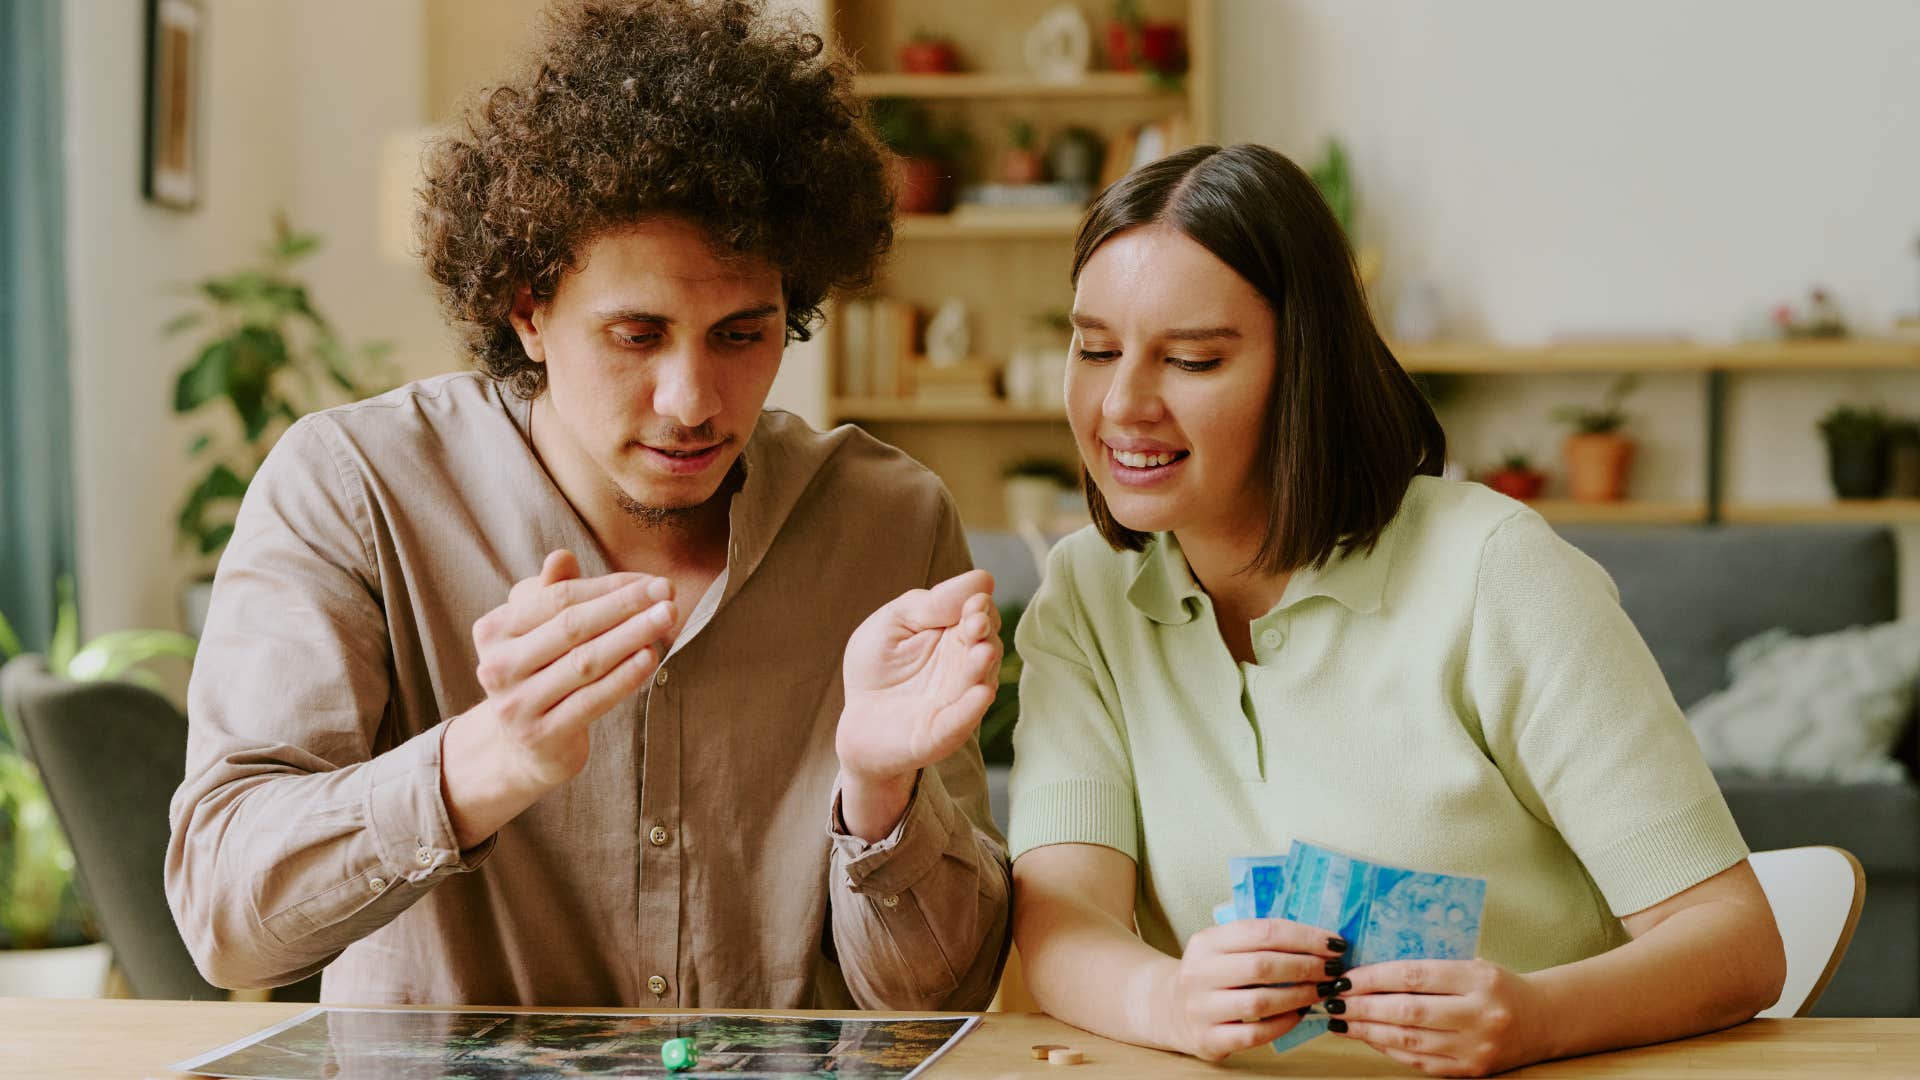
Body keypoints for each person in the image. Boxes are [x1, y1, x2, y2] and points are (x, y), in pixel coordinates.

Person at [166, 0, 1010, 1010]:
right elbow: (227, 921)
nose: (692, 402)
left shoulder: (889, 521)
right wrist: (485, 760)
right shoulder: (354, 489)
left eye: (743, 336)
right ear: (529, 309)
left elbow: (944, 1004)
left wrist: (880, 803)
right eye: (638, 335)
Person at [1006, 143, 1784, 1076]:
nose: (1123, 403)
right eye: (1093, 349)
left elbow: (1736, 940)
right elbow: (1063, 917)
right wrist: (1166, 998)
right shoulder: (1086, 596)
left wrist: (1537, 1016)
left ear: (1306, 371)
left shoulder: (1497, 571)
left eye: (1192, 360)